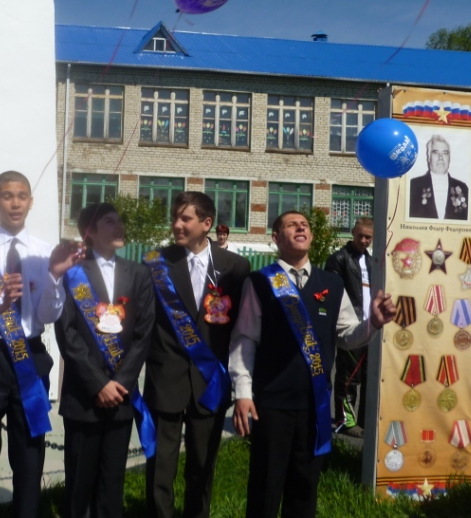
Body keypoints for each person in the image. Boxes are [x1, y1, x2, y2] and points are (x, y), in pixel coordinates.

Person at [230, 211, 397, 518]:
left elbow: (347, 336)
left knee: (304, 490)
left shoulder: (331, 283)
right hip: (272, 405)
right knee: (265, 488)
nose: (301, 227)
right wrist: (242, 392)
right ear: (276, 238)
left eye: (304, 224)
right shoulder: (260, 282)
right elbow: (245, 340)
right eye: (291, 224)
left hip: (315, 406)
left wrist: (373, 323)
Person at [0, 171, 81, 518]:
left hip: (31, 355)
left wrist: (54, 275)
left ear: (31, 202)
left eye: (22, 196)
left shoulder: (44, 253)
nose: (15, 203)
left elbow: (49, 315)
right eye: (7, 196)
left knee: (29, 450)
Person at [143, 192, 250, 518]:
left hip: (210, 381)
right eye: (174, 217)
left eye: (185, 218)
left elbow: (240, 328)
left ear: (206, 223)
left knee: (203, 465)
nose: (177, 224)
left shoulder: (235, 267)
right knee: (161, 465)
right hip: (166, 378)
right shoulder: (155, 263)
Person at [54, 202, 155, 518]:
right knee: (79, 481)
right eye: (110, 221)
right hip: (83, 395)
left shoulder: (138, 273)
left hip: (121, 395)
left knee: (113, 481)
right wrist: (99, 384)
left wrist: (120, 382)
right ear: (90, 232)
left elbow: (144, 334)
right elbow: (66, 333)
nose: (119, 226)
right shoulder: (72, 273)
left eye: (119, 220)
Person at [324, 217, 373, 436]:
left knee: (369, 377)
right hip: (350, 327)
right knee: (348, 376)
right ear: (353, 232)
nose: (363, 240)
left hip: (371, 327)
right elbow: (332, 293)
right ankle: (345, 421)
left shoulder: (372, 261)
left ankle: (365, 420)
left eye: (368, 237)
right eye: (360, 235)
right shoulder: (338, 259)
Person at [408, 134, 469, 220]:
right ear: (428, 157)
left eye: (445, 153)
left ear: (449, 158)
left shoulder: (463, 188)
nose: (440, 157)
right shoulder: (413, 186)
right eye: (435, 152)